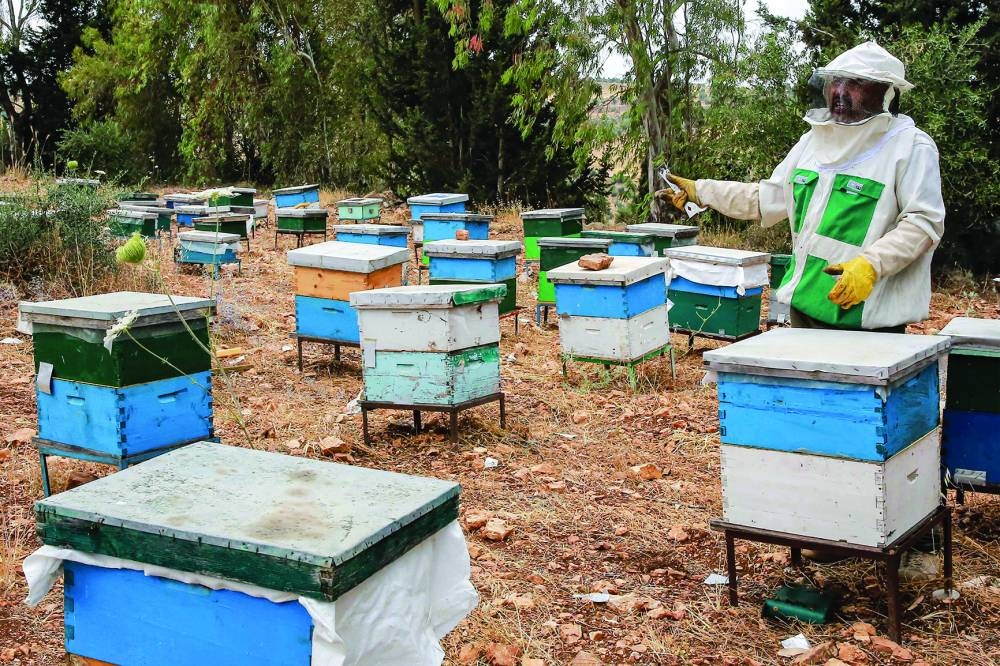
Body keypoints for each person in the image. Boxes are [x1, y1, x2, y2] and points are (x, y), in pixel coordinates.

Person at [661, 41, 945, 333]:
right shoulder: (812, 141)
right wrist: (703, 191)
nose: (841, 92)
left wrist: (872, 265)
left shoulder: (910, 146)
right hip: (805, 303)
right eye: (836, 81)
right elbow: (767, 198)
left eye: (855, 83)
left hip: (865, 313)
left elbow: (924, 223)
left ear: (885, 92)